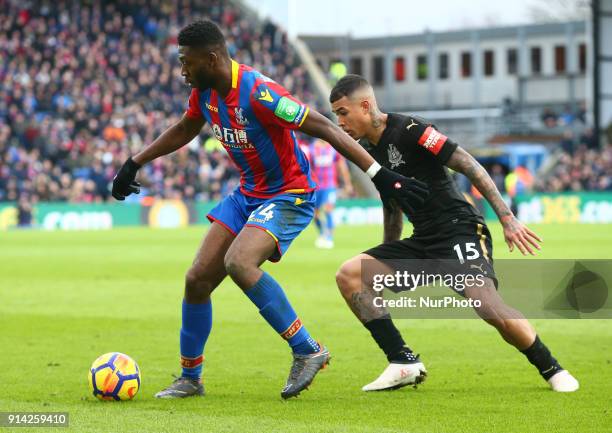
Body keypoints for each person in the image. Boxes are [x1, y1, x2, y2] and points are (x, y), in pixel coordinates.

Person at [111, 21, 428, 400]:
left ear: (211, 59)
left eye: (186, 62)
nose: (182, 71)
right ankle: (190, 378)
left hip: (289, 193)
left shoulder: (259, 92)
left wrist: (379, 174)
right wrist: (135, 162)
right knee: (196, 279)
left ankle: (308, 349)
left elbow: (324, 126)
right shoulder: (206, 92)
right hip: (248, 194)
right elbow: (185, 127)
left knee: (239, 262)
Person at [330, 74, 579, 393]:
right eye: (336, 115)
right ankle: (402, 361)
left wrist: (507, 218)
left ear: (365, 106)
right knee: (351, 275)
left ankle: (552, 368)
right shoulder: (367, 151)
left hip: (460, 231)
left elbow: (468, 164)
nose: (339, 122)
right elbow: (392, 204)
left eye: (342, 112)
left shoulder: (411, 130)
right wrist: (388, 255)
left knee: (487, 307)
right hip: (424, 241)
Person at [304, 138, 354, 248]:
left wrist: (347, 183)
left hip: (330, 186)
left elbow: (342, 166)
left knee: (328, 209)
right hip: (316, 187)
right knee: (315, 214)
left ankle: (329, 238)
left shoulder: (333, 149)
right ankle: (323, 233)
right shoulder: (311, 149)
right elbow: (307, 168)